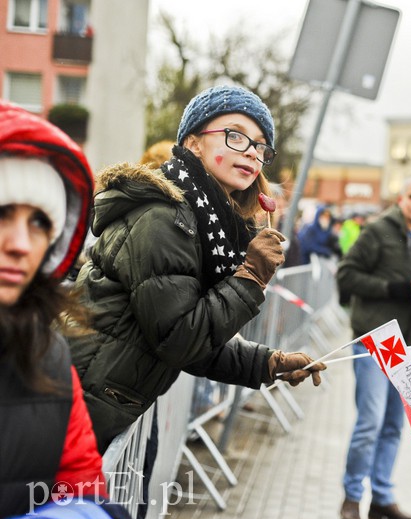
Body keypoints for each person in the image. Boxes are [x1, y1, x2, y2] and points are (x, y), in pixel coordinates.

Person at [67, 85, 327, 455]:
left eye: (260, 146)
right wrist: (250, 276)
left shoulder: (207, 225)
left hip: (98, 408)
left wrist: (269, 363)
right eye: (235, 135)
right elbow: (179, 338)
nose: (252, 152)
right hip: (76, 407)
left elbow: (194, 340)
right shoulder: (165, 218)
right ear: (192, 143)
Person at [0, 101, 135, 519]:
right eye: (2, 212)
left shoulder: (50, 357)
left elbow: (83, 493)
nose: (21, 242)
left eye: (40, 221)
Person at [336, 175, 411, 519]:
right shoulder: (378, 230)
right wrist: (391, 288)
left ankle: (381, 500)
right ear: (401, 199)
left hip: (410, 346)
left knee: (393, 427)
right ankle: (352, 498)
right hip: (376, 339)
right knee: (369, 423)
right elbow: (346, 276)